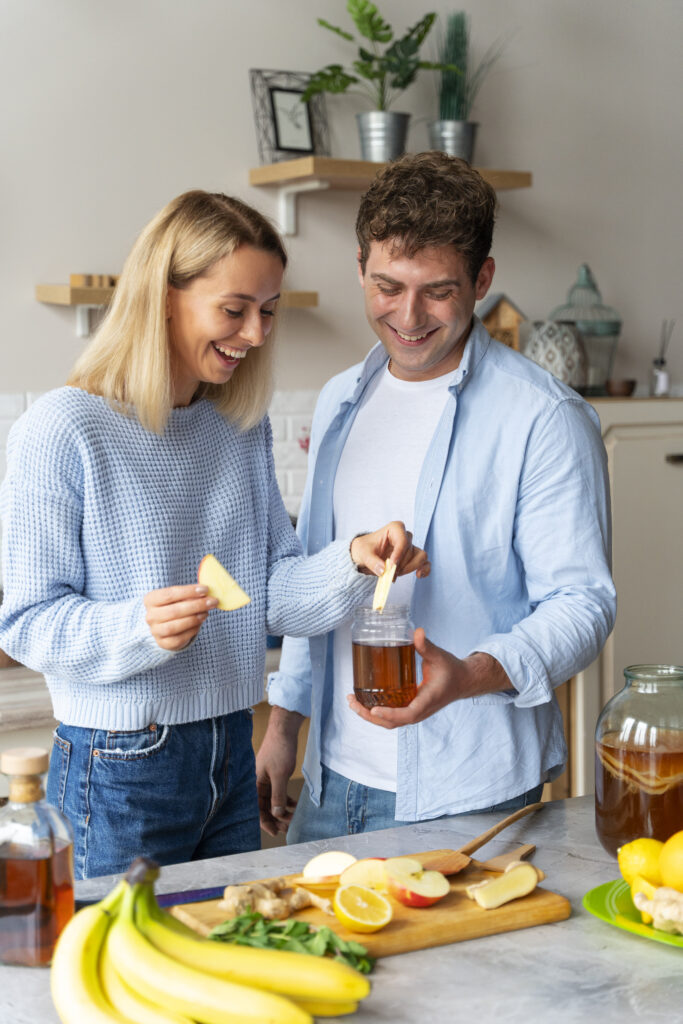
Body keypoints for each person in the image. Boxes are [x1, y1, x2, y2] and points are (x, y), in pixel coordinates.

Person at [0, 190, 428, 879]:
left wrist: (352, 561)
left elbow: (268, 597)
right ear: (162, 297)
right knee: (122, 978)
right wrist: (137, 627)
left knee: (222, 953)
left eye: (267, 311)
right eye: (234, 310)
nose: (255, 334)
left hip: (231, 746)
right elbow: (24, 623)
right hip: (118, 762)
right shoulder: (63, 429)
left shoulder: (236, 426)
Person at [256, 152, 617, 844]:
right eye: (387, 286)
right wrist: (284, 728)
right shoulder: (338, 401)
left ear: (481, 278)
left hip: (469, 794)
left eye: (438, 290)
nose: (409, 315)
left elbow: (582, 604)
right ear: (359, 266)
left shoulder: (543, 417)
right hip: (329, 782)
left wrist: (468, 676)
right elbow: (315, 579)